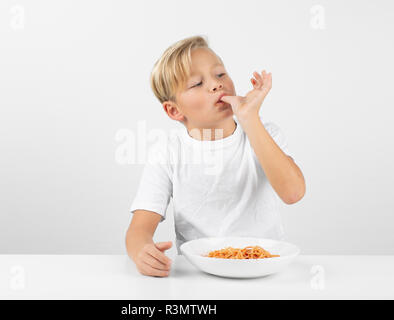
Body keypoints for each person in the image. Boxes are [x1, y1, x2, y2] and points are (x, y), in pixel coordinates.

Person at [125, 35, 306, 277]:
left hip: (264, 269)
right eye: (197, 84)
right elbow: (139, 229)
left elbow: (293, 193)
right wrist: (141, 251)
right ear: (174, 110)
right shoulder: (167, 153)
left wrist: (249, 119)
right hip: (199, 273)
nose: (215, 84)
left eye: (220, 74)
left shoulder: (265, 133)